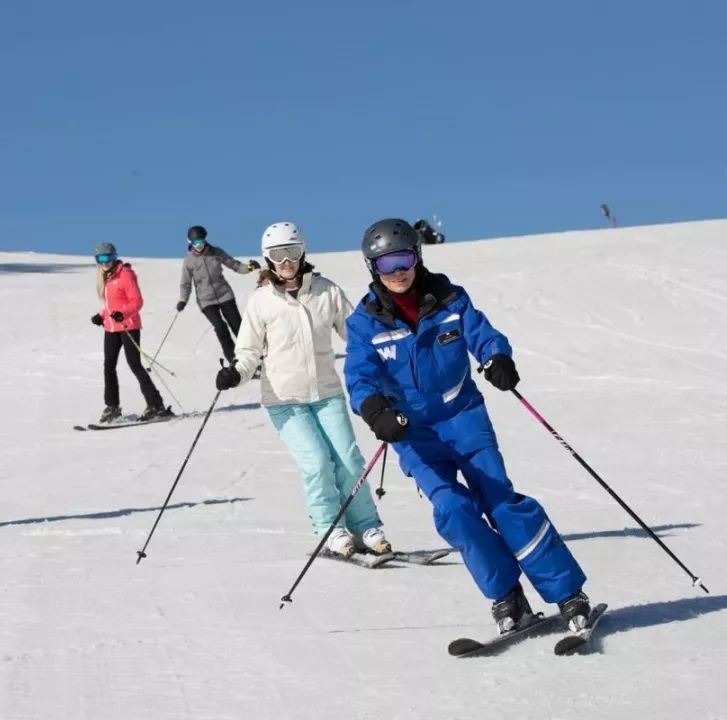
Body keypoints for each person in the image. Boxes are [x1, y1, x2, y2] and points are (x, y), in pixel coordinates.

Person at [343, 218, 591, 633]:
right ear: (373, 269)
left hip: (464, 419)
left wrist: (497, 358)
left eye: (404, 259)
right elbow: (358, 375)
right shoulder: (365, 322)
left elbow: (483, 335)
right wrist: (375, 411)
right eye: (386, 264)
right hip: (414, 435)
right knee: (455, 511)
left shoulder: (449, 300)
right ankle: (508, 598)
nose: (398, 271)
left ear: (418, 257)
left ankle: (569, 594)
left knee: (501, 503)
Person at [214, 221, 391, 558]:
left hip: (327, 393)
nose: (286, 262)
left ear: (302, 252)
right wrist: (235, 374)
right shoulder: (261, 302)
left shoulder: (327, 292)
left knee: (349, 461)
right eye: (278, 256)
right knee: (317, 464)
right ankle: (331, 529)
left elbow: (357, 336)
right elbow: (249, 352)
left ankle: (366, 525)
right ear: (267, 259)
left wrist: (385, 360)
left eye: (292, 253)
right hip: (284, 400)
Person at [92, 242, 171, 424]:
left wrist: (124, 313)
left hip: (128, 326)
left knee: (134, 364)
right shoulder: (105, 277)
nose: (104, 262)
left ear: (114, 257)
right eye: (100, 259)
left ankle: (155, 404)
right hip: (111, 328)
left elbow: (137, 301)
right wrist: (101, 316)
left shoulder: (125, 275)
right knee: (108, 366)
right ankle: (112, 407)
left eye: (107, 258)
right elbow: (110, 305)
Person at [177, 225, 260, 364]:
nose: (199, 245)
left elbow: (235, 265)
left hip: (225, 294)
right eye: (196, 243)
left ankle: (251, 357)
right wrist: (183, 299)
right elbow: (185, 283)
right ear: (190, 243)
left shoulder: (216, 252)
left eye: (201, 242)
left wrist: (249, 267)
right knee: (220, 327)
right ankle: (234, 359)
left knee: (237, 325)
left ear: (206, 240)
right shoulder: (189, 261)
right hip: (206, 301)